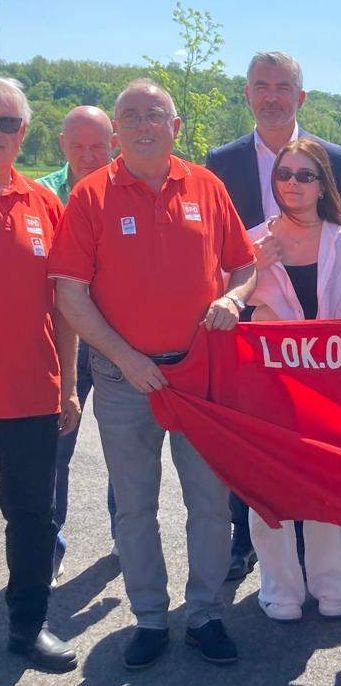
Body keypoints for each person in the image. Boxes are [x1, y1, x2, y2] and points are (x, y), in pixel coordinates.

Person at [48, 78, 257, 670]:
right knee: (134, 506)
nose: (143, 125)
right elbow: (70, 293)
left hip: (197, 378)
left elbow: (245, 265)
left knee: (210, 504)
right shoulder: (92, 195)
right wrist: (125, 359)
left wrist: (236, 298)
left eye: (154, 115)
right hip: (123, 381)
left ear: (176, 126)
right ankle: (148, 616)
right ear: (117, 131)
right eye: (131, 116)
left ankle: (205, 614)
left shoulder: (207, 186)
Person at [206, 50, 341, 577]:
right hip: (251, 330)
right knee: (253, 449)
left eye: (282, 86)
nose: (271, 96)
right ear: (246, 93)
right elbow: (214, 250)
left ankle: (331, 529)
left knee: (320, 441)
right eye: (261, 85)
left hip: (319, 331)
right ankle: (244, 538)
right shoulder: (221, 162)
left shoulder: (332, 157)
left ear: (301, 96)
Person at [246, 138, 341, 622]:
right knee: (267, 493)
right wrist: (256, 270)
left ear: (322, 186)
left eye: (304, 175)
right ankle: (279, 588)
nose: (293, 183)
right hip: (264, 388)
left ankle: (332, 586)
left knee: (322, 490)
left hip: (326, 389)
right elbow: (225, 306)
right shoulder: (251, 240)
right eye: (284, 175)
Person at [0, 77, 80, 674]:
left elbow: (66, 304)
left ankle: (28, 628)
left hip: (30, 394)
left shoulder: (44, 204)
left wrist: (71, 384)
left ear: (22, 133)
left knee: (33, 520)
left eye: (5, 123)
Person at [36, 105, 119, 584]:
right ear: (62, 145)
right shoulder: (43, 193)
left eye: (98, 146)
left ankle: (124, 534)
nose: (89, 156)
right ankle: (49, 543)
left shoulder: (124, 192)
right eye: (78, 146)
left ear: (112, 143)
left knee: (123, 446)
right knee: (56, 448)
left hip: (115, 339)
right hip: (58, 339)